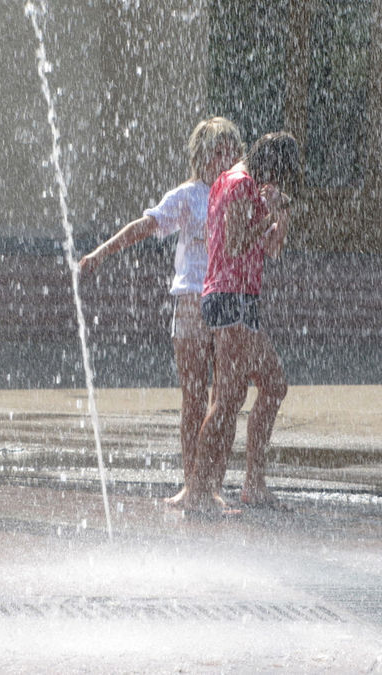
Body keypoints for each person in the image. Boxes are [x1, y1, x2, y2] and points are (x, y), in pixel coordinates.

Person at [78, 117, 244, 506]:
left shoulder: (238, 193)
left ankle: (213, 485)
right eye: (218, 150)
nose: (225, 157)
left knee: (226, 398)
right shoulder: (188, 196)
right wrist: (102, 253)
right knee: (194, 398)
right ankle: (191, 483)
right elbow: (145, 225)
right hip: (191, 301)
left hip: (230, 302)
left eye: (230, 150)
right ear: (201, 155)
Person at [185, 131, 300, 515]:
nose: (277, 183)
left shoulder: (246, 185)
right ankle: (200, 492)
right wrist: (267, 213)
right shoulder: (238, 184)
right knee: (228, 399)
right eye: (279, 175)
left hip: (242, 299)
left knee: (272, 385)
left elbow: (272, 248)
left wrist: (279, 214)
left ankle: (251, 484)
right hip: (229, 297)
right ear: (268, 164)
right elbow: (235, 244)